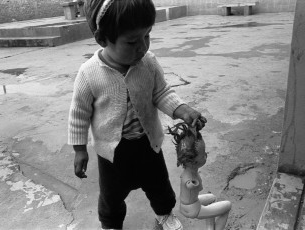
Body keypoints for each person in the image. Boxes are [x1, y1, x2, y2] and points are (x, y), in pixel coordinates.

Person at [68, 0, 206, 229]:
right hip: (112, 151)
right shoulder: (88, 73)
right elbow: (79, 114)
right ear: (103, 39)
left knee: (159, 184)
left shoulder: (148, 62)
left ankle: (164, 214)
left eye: (147, 36)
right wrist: (79, 149)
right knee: (111, 195)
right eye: (132, 41)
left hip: (147, 143)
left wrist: (182, 110)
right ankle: (111, 224)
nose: (142, 46)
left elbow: (161, 92)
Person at [166, 122, 233, 230]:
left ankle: (210, 227)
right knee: (227, 206)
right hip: (192, 209)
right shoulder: (189, 177)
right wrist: (191, 184)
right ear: (193, 162)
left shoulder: (189, 169)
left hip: (189, 204)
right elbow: (188, 183)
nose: (206, 155)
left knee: (212, 198)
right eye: (203, 155)